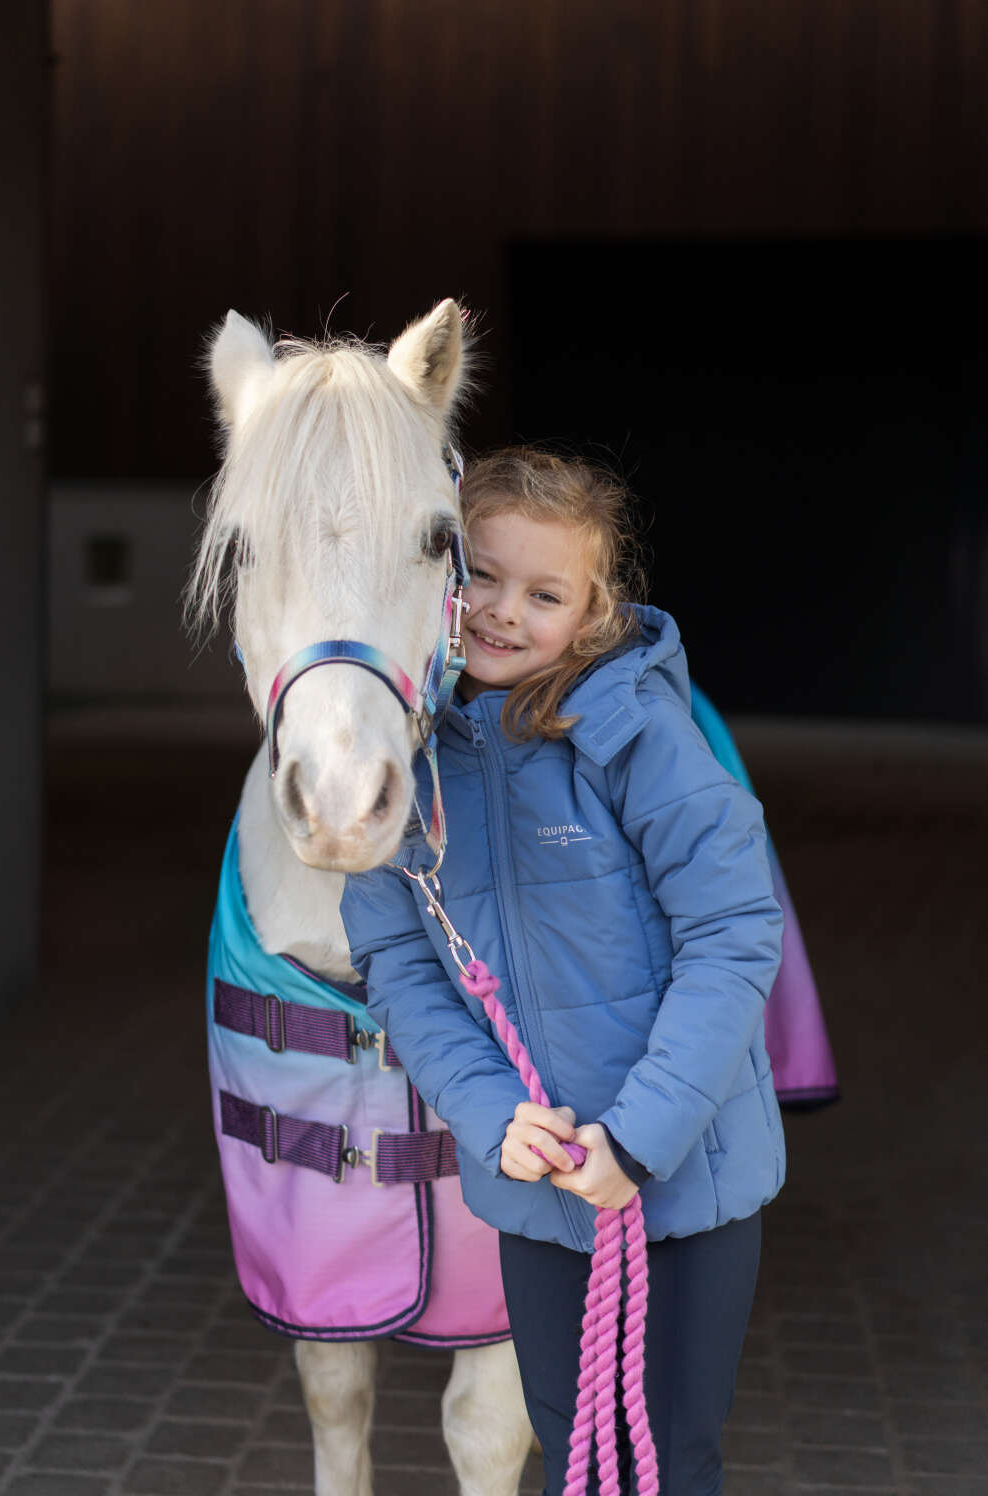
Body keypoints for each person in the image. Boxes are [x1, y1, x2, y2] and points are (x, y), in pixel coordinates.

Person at [340, 448, 786, 1495]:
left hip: (681, 1185)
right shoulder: (402, 763)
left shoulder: (639, 737)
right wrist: (489, 1111)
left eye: (541, 593)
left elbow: (731, 931)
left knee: (665, 1459)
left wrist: (636, 1140)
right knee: (567, 1439)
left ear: (589, 612)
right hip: (539, 1187)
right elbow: (398, 959)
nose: (501, 611)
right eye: (480, 576)